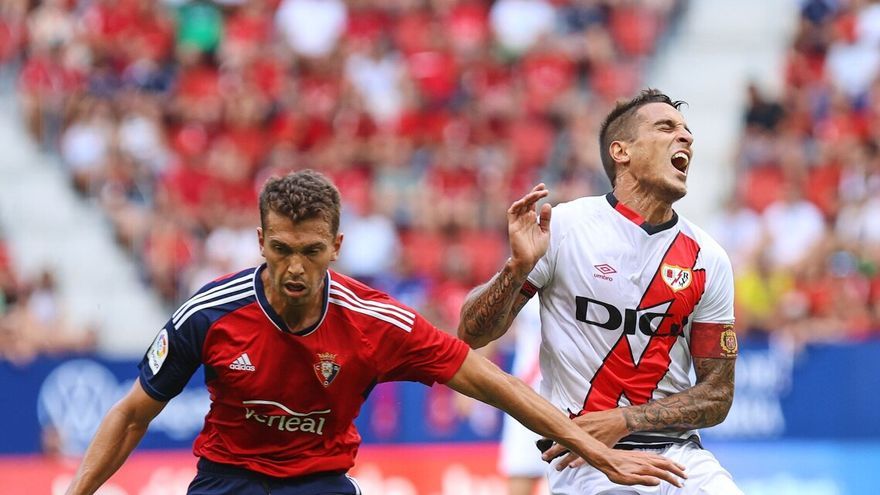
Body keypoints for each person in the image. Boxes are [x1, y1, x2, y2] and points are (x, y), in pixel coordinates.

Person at [65, 170, 686, 495]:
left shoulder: (375, 322)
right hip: (228, 480)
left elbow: (490, 382)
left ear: (337, 246)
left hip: (318, 483)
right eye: (280, 249)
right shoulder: (209, 313)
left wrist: (595, 450)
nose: (294, 269)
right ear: (260, 242)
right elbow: (130, 415)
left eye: (310, 251)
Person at [458, 89, 743, 494]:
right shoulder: (564, 227)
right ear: (621, 151)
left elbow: (717, 395)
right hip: (586, 459)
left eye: (687, 131)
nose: (686, 138)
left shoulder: (707, 257)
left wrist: (626, 420)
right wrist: (516, 268)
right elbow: (471, 334)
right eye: (667, 127)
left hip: (681, 458)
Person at [498, 297, 548, 495]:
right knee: (519, 473)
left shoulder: (581, 276)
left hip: (568, 397)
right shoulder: (526, 277)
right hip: (524, 397)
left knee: (570, 478)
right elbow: (493, 323)